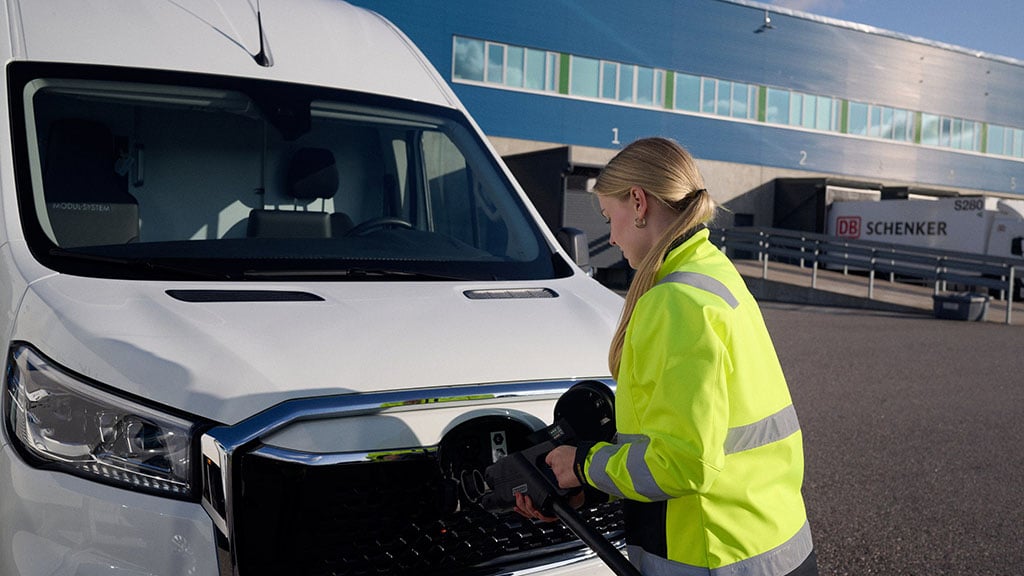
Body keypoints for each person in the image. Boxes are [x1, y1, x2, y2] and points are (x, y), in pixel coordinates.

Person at [515, 137, 818, 575]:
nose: (611, 235)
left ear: (638, 202)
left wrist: (582, 464)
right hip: (767, 542)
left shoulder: (674, 301)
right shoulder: (711, 270)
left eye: (608, 216)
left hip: (710, 555)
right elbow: (682, 436)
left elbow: (684, 463)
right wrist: (588, 487)